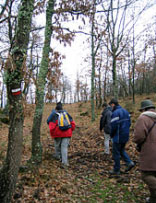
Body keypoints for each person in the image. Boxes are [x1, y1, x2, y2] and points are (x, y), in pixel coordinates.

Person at [133, 100, 156, 203]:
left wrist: (138, 143)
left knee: (146, 175)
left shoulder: (143, 118)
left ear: (144, 109)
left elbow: (139, 136)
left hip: (149, 150)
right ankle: (153, 199)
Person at [109, 98, 135, 175]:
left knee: (116, 152)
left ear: (113, 104)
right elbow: (129, 123)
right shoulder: (126, 112)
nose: (110, 107)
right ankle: (129, 162)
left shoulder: (115, 113)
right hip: (125, 135)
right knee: (121, 150)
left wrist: (111, 135)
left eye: (110, 105)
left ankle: (116, 170)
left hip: (118, 136)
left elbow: (113, 126)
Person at [48, 102, 76, 168]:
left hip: (57, 133)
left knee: (57, 146)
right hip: (67, 133)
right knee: (64, 147)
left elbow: (51, 126)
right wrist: (70, 130)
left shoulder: (53, 115)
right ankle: (65, 163)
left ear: (56, 108)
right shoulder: (66, 114)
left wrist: (52, 134)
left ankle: (58, 157)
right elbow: (72, 124)